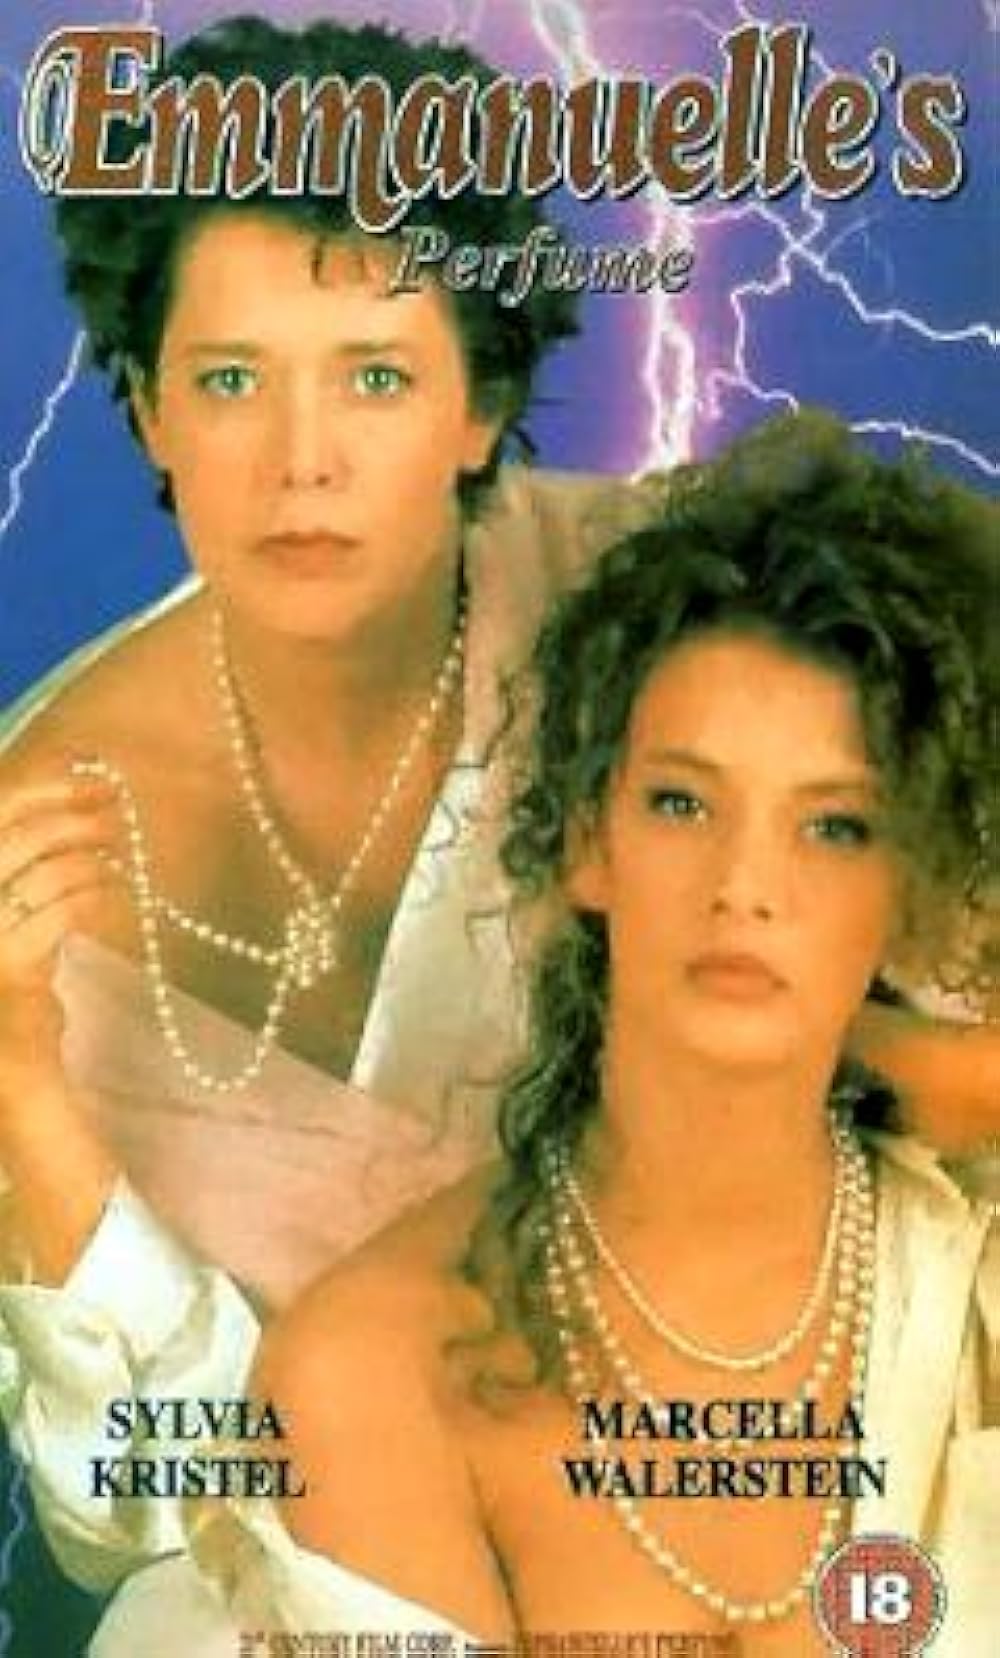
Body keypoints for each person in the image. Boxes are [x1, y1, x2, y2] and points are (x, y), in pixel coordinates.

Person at [91, 410, 997, 1655]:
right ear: (585, 842)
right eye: (681, 801)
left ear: (911, 886)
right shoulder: (377, 1370)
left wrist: (882, 1059)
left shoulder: (966, 1292)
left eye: (834, 825)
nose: (746, 884)